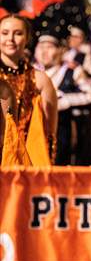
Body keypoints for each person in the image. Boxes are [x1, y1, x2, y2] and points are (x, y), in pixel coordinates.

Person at [0, 14, 57, 165]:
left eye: (18, 33)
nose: (10, 39)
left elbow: (49, 134)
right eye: (4, 33)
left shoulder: (40, 80)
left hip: (27, 163)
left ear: (28, 38)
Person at [34, 32, 91, 165]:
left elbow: (89, 95)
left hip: (61, 129)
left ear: (60, 50)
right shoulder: (31, 71)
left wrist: (65, 100)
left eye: (49, 47)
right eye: (41, 47)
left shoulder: (71, 70)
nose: (44, 52)